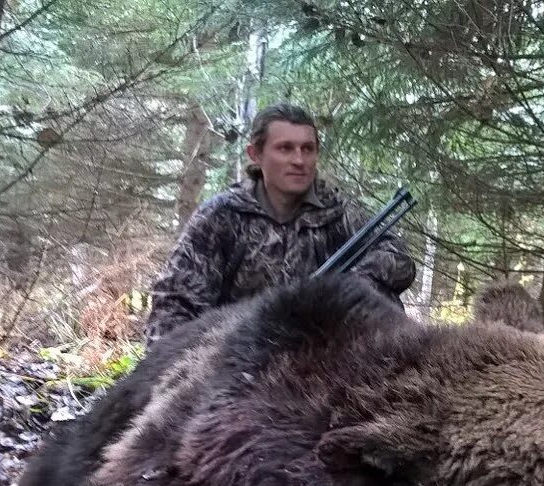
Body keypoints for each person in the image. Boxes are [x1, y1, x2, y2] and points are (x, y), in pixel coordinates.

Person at [144, 103, 416, 346]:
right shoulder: (221, 216)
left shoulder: (338, 210)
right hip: (240, 355)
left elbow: (399, 260)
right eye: (285, 148)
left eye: (307, 149)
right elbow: (175, 300)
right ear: (255, 154)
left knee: (380, 297)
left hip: (326, 350)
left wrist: (342, 288)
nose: (299, 161)